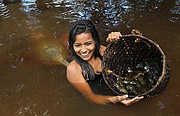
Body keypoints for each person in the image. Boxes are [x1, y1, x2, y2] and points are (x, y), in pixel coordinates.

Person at [66, 20, 143, 106]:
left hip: (112, 88)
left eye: (88, 43)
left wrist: (116, 44)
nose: (83, 50)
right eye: (78, 45)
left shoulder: (102, 51)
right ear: (72, 46)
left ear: (95, 41)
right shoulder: (73, 70)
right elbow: (92, 97)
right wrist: (117, 99)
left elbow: (125, 62)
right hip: (96, 99)